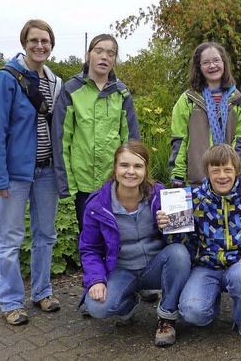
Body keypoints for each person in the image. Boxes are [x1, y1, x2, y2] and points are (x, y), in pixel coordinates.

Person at [0, 19, 63, 325]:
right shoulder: (6, 79)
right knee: (10, 238)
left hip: (46, 173)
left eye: (45, 41)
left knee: (46, 235)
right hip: (16, 175)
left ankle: (42, 292)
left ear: (51, 45)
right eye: (34, 40)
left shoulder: (55, 82)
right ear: (24, 43)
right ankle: (10, 302)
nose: (40, 45)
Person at [79, 141, 191, 347]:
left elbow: (182, 241)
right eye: (124, 165)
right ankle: (128, 304)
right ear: (115, 168)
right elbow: (89, 249)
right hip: (123, 270)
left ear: (146, 170)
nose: (131, 172)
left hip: (155, 268)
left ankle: (166, 317)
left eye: (138, 166)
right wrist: (95, 279)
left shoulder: (161, 195)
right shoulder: (97, 205)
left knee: (179, 253)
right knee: (96, 307)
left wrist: (166, 227)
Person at [158, 144, 241, 337]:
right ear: (207, 173)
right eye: (216, 170)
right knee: (193, 313)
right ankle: (211, 303)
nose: (222, 176)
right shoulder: (193, 198)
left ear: (237, 171)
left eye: (228, 170)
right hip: (205, 267)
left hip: (239, 263)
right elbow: (180, 240)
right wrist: (167, 226)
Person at [52, 34, 140, 233]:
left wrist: (131, 175)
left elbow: (131, 140)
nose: (104, 57)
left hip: (115, 182)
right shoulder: (71, 90)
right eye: (99, 51)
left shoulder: (122, 93)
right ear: (88, 54)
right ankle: (90, 266)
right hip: (83, 183)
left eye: (110, 54)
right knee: (89, 238)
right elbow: (61, 139)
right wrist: (66, 183)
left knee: (116, 236)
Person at [169, 42, 241, 187]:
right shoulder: (188, 100)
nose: (212, 66)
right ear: (199, 68)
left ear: (224, 63)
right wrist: (178, 174)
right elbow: (179, 139)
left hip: (226, 180)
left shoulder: (238, 100)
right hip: (197, 179)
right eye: (205, 62)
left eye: (216, 60)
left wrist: (229, 169)